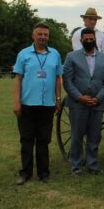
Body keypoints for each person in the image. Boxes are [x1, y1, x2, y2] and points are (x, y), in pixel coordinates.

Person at [13, 22, 63, 185]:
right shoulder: (24, 54)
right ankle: (25, 173)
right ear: (33, 35)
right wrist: (17, 102)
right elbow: (18, 80)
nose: (43, 37)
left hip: (47, 105)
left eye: (45, 35)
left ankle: (44, 173)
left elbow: (57, 79)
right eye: (40, 34)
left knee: (43, 140)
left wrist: (58, 99)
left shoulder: (55, 54)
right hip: (27, 104)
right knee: (27, 139)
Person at [63, 28, 104, 175]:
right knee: (77, 135)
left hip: (97, 103)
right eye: (86, 39)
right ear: (81, 40)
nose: (89, 41)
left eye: (92, 39)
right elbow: (67, 81)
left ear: (95, 40)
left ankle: (93, 165)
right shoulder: (71, 57)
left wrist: (98, 98)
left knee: (94, 136)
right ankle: (76, 166)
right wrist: (79, 97)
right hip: (78, 103)